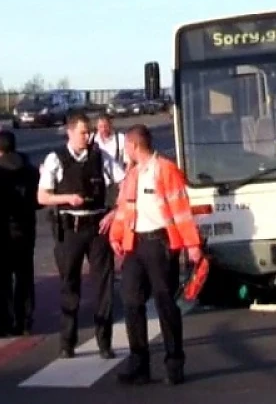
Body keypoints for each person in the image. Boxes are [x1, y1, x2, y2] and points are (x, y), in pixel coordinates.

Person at [107, 124, 204, 386]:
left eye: (126, 146)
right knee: (130, 301)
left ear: (134, 146)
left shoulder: (165, 170)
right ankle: (139, 364)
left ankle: (174, 364)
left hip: (160, 242)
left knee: (165, 304)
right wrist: (116, 236)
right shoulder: (132, 173)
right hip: (135, 244)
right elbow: (123, 208)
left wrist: (192, 244)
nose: (124, 151)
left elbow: (181, 209)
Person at [37, 112, 125, 359]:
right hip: (70, 228)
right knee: (69, 285)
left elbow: (125, 182)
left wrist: (115, 211)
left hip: (97, 226)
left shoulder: (101, 157)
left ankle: (104, 342)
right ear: (70, 132)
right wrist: (67, 199)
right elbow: (42, 196)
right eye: (83, 132)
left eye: (89, 132)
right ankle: (67, 342)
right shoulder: (56, 159)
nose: (87, 137)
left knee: (104, 286)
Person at [0, 130, 40, 338]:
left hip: (0, 231)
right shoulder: (30, 170)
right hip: (25, 230)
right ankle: (24, 322)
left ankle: (2, 322)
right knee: (24, 277)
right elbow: (38, 200)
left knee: (1, 280)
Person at [90, 113, 126, 207]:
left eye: (106, 126)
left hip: (117, 183)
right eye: (100, 126)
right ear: (96, 127)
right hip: (99, 184)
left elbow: (129, 162)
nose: (103, 129)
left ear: (111, 125)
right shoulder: (92, 140)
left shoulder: (121, 139)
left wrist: (125, 182)